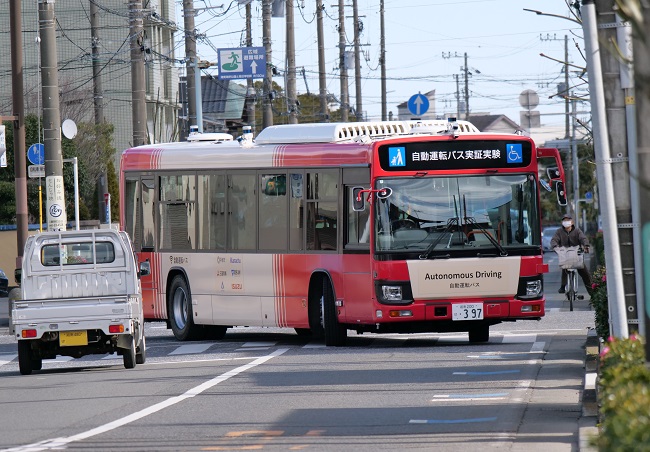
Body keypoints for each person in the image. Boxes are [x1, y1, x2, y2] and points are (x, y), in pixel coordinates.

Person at [550, 214, 593, 295]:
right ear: (562, 222)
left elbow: (583, 238)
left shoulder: (577, 231)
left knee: (585, 273)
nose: (566, 222)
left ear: (572, 222)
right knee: (565, 267)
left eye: (568, 220)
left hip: (577, 254)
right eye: (564, 220)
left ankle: (592, 293)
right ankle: (563, 286)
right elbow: (554, 240)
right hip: (565, 254)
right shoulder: (559, 232)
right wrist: (555, 247)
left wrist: (586, 245)